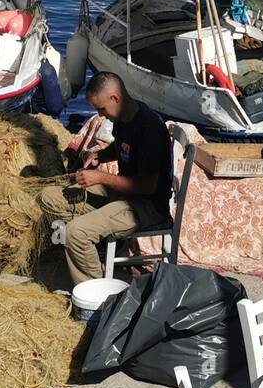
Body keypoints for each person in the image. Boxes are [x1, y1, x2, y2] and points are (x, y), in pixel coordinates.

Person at [38, 72, 172, 285]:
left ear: (115, 98)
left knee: (76, 233)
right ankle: (93, 253)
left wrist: (100, 177)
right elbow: (122, 149)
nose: (100, 115)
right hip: (121, 195)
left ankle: (97, 292)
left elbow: (148, 186)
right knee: (48, 197)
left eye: (101, 109)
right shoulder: (123, 117)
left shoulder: (149, 128)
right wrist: (100, 156)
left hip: (146, 206)